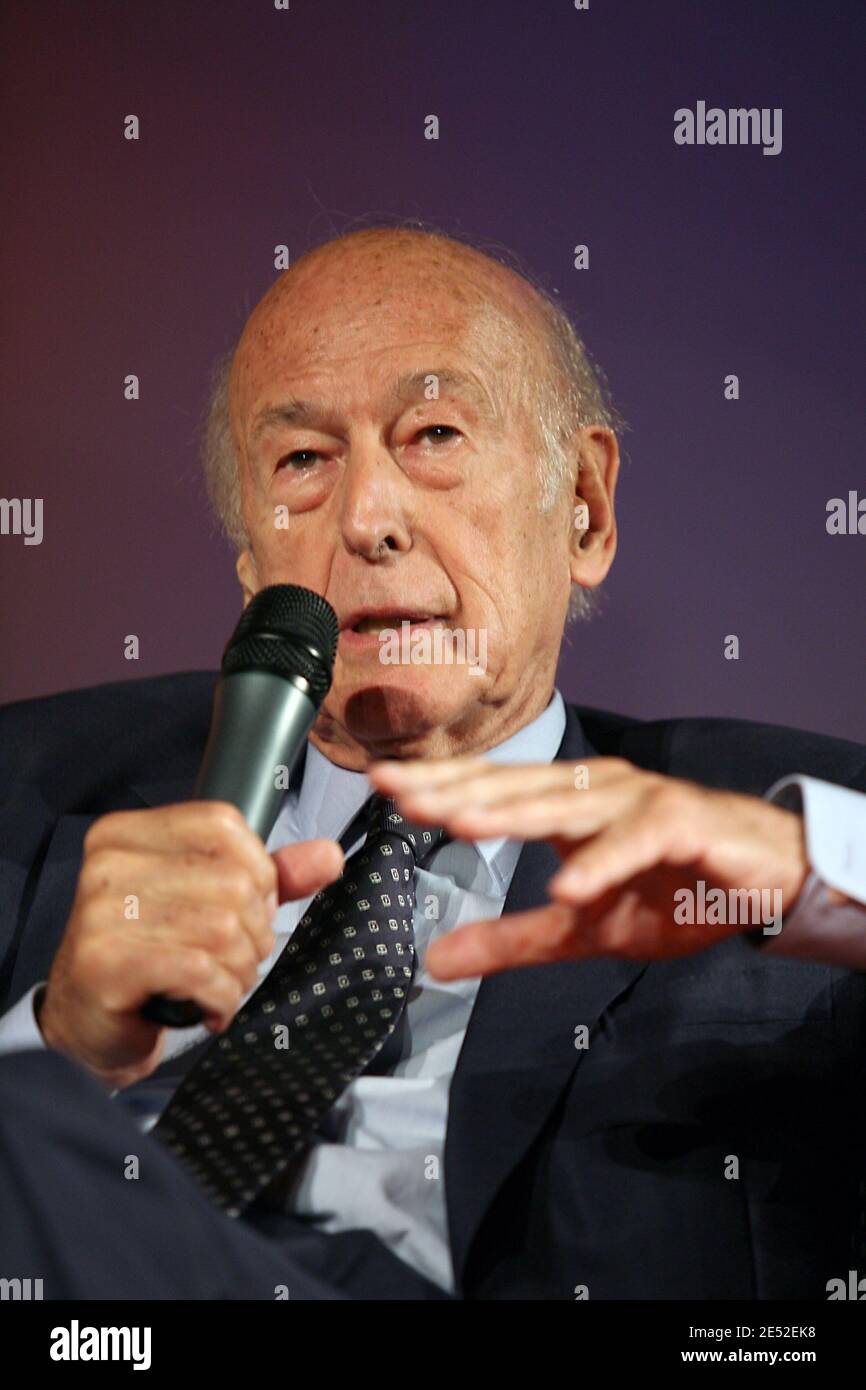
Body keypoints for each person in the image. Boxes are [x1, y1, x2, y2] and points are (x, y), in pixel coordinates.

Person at [1, 227, 864, 1300]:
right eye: (303, 461)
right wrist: (54, 1043)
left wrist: (805, 869)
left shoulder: (785, 838)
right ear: (249, 565)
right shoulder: (28, 790)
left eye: (433, 434)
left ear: (585, 509)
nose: (366, 520)